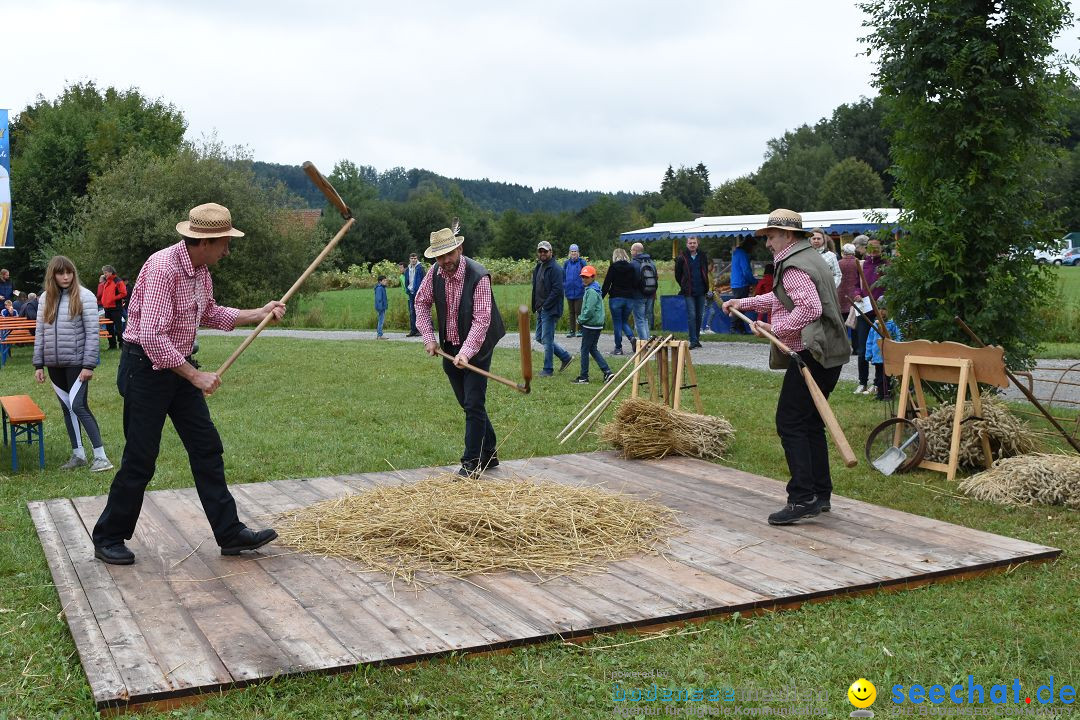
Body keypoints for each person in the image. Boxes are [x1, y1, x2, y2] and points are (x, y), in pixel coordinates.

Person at [91, 203, 286, 565]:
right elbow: (151, 336)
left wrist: (257, 313)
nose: (228, 250)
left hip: (177, 368)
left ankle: (230, 533)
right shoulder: (164, 268)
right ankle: (108, 536)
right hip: (146, 369)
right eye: (225, 242)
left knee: (207, 447)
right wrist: (196, 376)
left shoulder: (200, 271)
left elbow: (210, 311)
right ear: (205, 241)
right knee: (141, 458)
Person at [722, 209, 850, 526]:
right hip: (825, 353)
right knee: (808, 424)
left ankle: (802, 497)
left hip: (812, 354)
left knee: (790, 422)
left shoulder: (793, 265)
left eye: (771, 236)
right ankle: (820, 494)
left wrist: (775, 330)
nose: (767, 243)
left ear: (788, 235)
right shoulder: (808, 257)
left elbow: (809, 307)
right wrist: (744, 303)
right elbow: (783, 299)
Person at [415, 224, 506, 478]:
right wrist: (428, 338)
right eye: (440, 257)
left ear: (459, 249)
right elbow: (420, 303)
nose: (445, 261)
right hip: (450, 344)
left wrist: (466, 353)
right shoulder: (434, 274)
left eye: (449, 255)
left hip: (479, 345)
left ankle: (471, 463)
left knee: (474, 402)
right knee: (468, 404)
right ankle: (489, 450)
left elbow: (482, 320)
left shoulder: (479, 276)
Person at [32, 256, 113, 472]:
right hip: (53, 364)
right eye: (60, 273)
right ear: (53, 275)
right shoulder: (44, 298)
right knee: (67, 409)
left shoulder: (85, 296)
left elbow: (93, 334)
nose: (65, 276)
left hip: (77, 363)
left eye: (69, 272)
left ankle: (101, 457)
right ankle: (78, 454)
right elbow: (40, 332)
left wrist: (89, 365)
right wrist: (38, 364)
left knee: (78, 406)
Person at [531, 240, 573, 375]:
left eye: (545, 251)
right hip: (541, 309)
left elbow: (558, 290)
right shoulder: (539, 267)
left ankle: (548, 369)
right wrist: (537, 306)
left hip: (550, 309)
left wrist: (545, 306)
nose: (542, 253)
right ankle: (565, 357)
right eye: (540, 251)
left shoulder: (556, 269)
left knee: (547, 340)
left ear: (551, 252)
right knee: (539, 338)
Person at [572, 265, 614, 385]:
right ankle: (607, 372)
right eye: (583, 277)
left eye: (587, 277)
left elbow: (589, 310)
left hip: (590, 325)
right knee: (592, 349)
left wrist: (580, 319)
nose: (584, 279)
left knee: (584, 350)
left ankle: (584, 377)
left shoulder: (591, 291)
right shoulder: (595, 289)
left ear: (593, 277)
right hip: (596, 325)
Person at [600, 247, 640, 355]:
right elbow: (636, 283)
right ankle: (631, 338)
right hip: (629, 299)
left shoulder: (613, 267)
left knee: (617, 322)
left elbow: (607, 284)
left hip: (616, 298)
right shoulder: (631, 267)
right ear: (625, 255)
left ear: (615, 256)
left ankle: (618, 348)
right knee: (624, 321)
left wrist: (601, 297)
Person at [674, 236, 709, 348]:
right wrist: (684, 285)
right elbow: (678, 274)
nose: (692, 245)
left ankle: (697, 339)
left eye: (694, 243)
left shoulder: (702, 256)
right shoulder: (682, 257)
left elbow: (705, 270)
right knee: (692, 315)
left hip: (701, 290)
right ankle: (692, 339)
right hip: (689, 291)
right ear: (687, 244)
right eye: (690, 243)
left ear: (697, 244)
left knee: (699, 315)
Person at [865, 306, 902, 400]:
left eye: (884, 314)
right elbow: (869, 341)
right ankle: (880, 394)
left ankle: (887, 394)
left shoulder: (892, 325)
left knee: (887, 376)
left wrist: (895, 347)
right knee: (879, 376)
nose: (882, 315)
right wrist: (868, 354)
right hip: (877, 356)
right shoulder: (875, 326)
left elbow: (898, 336)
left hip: (888, 355)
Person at [728, 237, 757, 334]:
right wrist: (754, 281)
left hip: (735, 283)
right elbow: (746, 271)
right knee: (739, 307)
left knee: (740, 307)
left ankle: (740, 329)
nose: (752, 250)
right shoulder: (743, 254)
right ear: (749, 246)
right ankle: (733, 327)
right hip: (741, 284)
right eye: (753, 248)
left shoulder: (736, 252)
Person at [96, 265, 128, 350]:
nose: (104, 274)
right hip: (107, 308)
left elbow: (124, 293)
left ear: (110, 272)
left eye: (105, 272)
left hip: (116, 308)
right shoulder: (107, 281)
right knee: (109, 328)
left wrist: (113, 298)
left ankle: (122, 344)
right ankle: (112, 345)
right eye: (104, 272)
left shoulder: (118, 281)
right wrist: (104, 300)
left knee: (118, 327)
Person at [630, 242, 658, 335]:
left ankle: (643, 344)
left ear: (635, 251)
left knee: (639, 320)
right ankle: (647, 341)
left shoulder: (633, 263)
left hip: (638, 295)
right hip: (650, 293)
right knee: (645, 318)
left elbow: (632, 280)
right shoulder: (651, 262)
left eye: (631, 250)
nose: (631, 252)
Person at [562, 244, 586, 337]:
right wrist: (564, 285)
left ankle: (580, 330)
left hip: (579, 291)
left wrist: (583, 286)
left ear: (578, 252)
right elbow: (563, 276)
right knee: (571, 312)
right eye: (572, 251)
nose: (573, 253)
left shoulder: (582, 262)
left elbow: (586, 274)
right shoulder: (566, 263)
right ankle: (572, 330)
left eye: (575, 251)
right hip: (569, 291)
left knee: (578, 311)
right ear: (569, 253)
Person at [403, 253, 425, 337]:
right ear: (409, 259)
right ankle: (413, 330)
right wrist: (407, 289)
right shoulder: (408, 269)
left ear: (417, 259)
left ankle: (420, 330)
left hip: (418, 293)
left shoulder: (420, 268)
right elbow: (406, 281)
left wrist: (422, 291)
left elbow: (424, 280)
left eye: (415, 258)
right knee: (412, 312)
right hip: (411, 293)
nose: (413, 260)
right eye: (412, 258)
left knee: (419, 312)